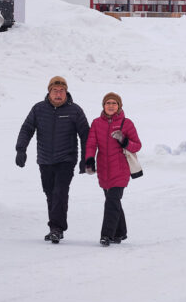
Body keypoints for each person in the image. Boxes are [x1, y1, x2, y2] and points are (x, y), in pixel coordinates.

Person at [15, 76, 90, 244]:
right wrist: (21, 149)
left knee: (60, 192)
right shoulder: (38, 109)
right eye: (55, 91)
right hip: (45, 159)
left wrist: (86, 158)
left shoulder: (75, 110)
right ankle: (55, 228)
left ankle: (57, 228)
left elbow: (86, 135)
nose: (58, 94)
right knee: (50, 193)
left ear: (66, 92)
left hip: (66, 158)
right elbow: (27, 129)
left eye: (61, 91)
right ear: (49, 92)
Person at [84, 92, 141, 247]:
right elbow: (91, 144)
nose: (110, 106)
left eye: (114, 103)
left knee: (112, 200)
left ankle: (107, 235)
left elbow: (137, 145)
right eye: (108, 103)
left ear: (119, 106)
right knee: (113, 202)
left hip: (120, 170)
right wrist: (89, 159)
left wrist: (124, 140)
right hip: (103, 169)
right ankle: (120, 232)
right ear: (103, 106)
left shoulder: (127, 123)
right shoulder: (96, 123)